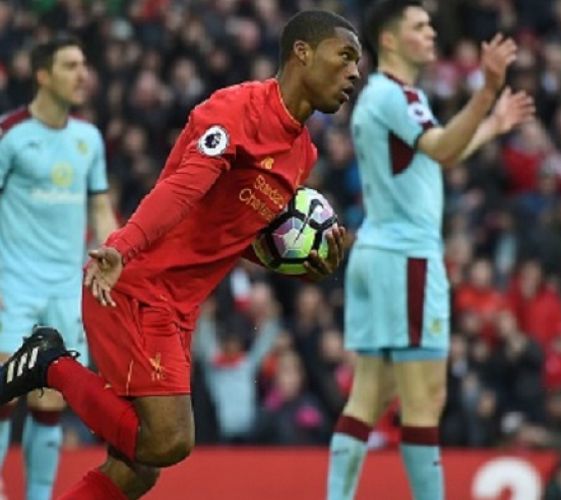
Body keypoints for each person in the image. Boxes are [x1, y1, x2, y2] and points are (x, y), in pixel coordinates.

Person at [0, 10, 359, 499]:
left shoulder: (304, 155)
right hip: (138, 288)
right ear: (303, 52)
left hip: (177, 306)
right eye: (345, 57)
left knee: (136, 469)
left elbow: (238, 233)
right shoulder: (236, 110)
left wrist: (304, 269)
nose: (354, 73)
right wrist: (122, 248)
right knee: (168, 440)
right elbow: (182, 189)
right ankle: (49, 364)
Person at [325, 2, 535, 499]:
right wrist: (485, 91)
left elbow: (439, 152)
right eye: (419, 26)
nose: (432, 32)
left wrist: (490, 126)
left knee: (369, 396)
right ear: (391, 40)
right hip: (407, 259)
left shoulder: (380, 97)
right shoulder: (397, 96)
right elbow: (440, 148)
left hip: (377, 252)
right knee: (425, 400)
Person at [0, 35, 118, 500]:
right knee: (5, 394)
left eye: (84, 64)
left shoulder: (88, 139)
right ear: (43, 75)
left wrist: (116, 249)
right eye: (71, 65)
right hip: (13, 283)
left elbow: (100, 208)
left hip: (67, 288)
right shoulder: (10, 135)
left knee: (49, 399)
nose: (82, 73)